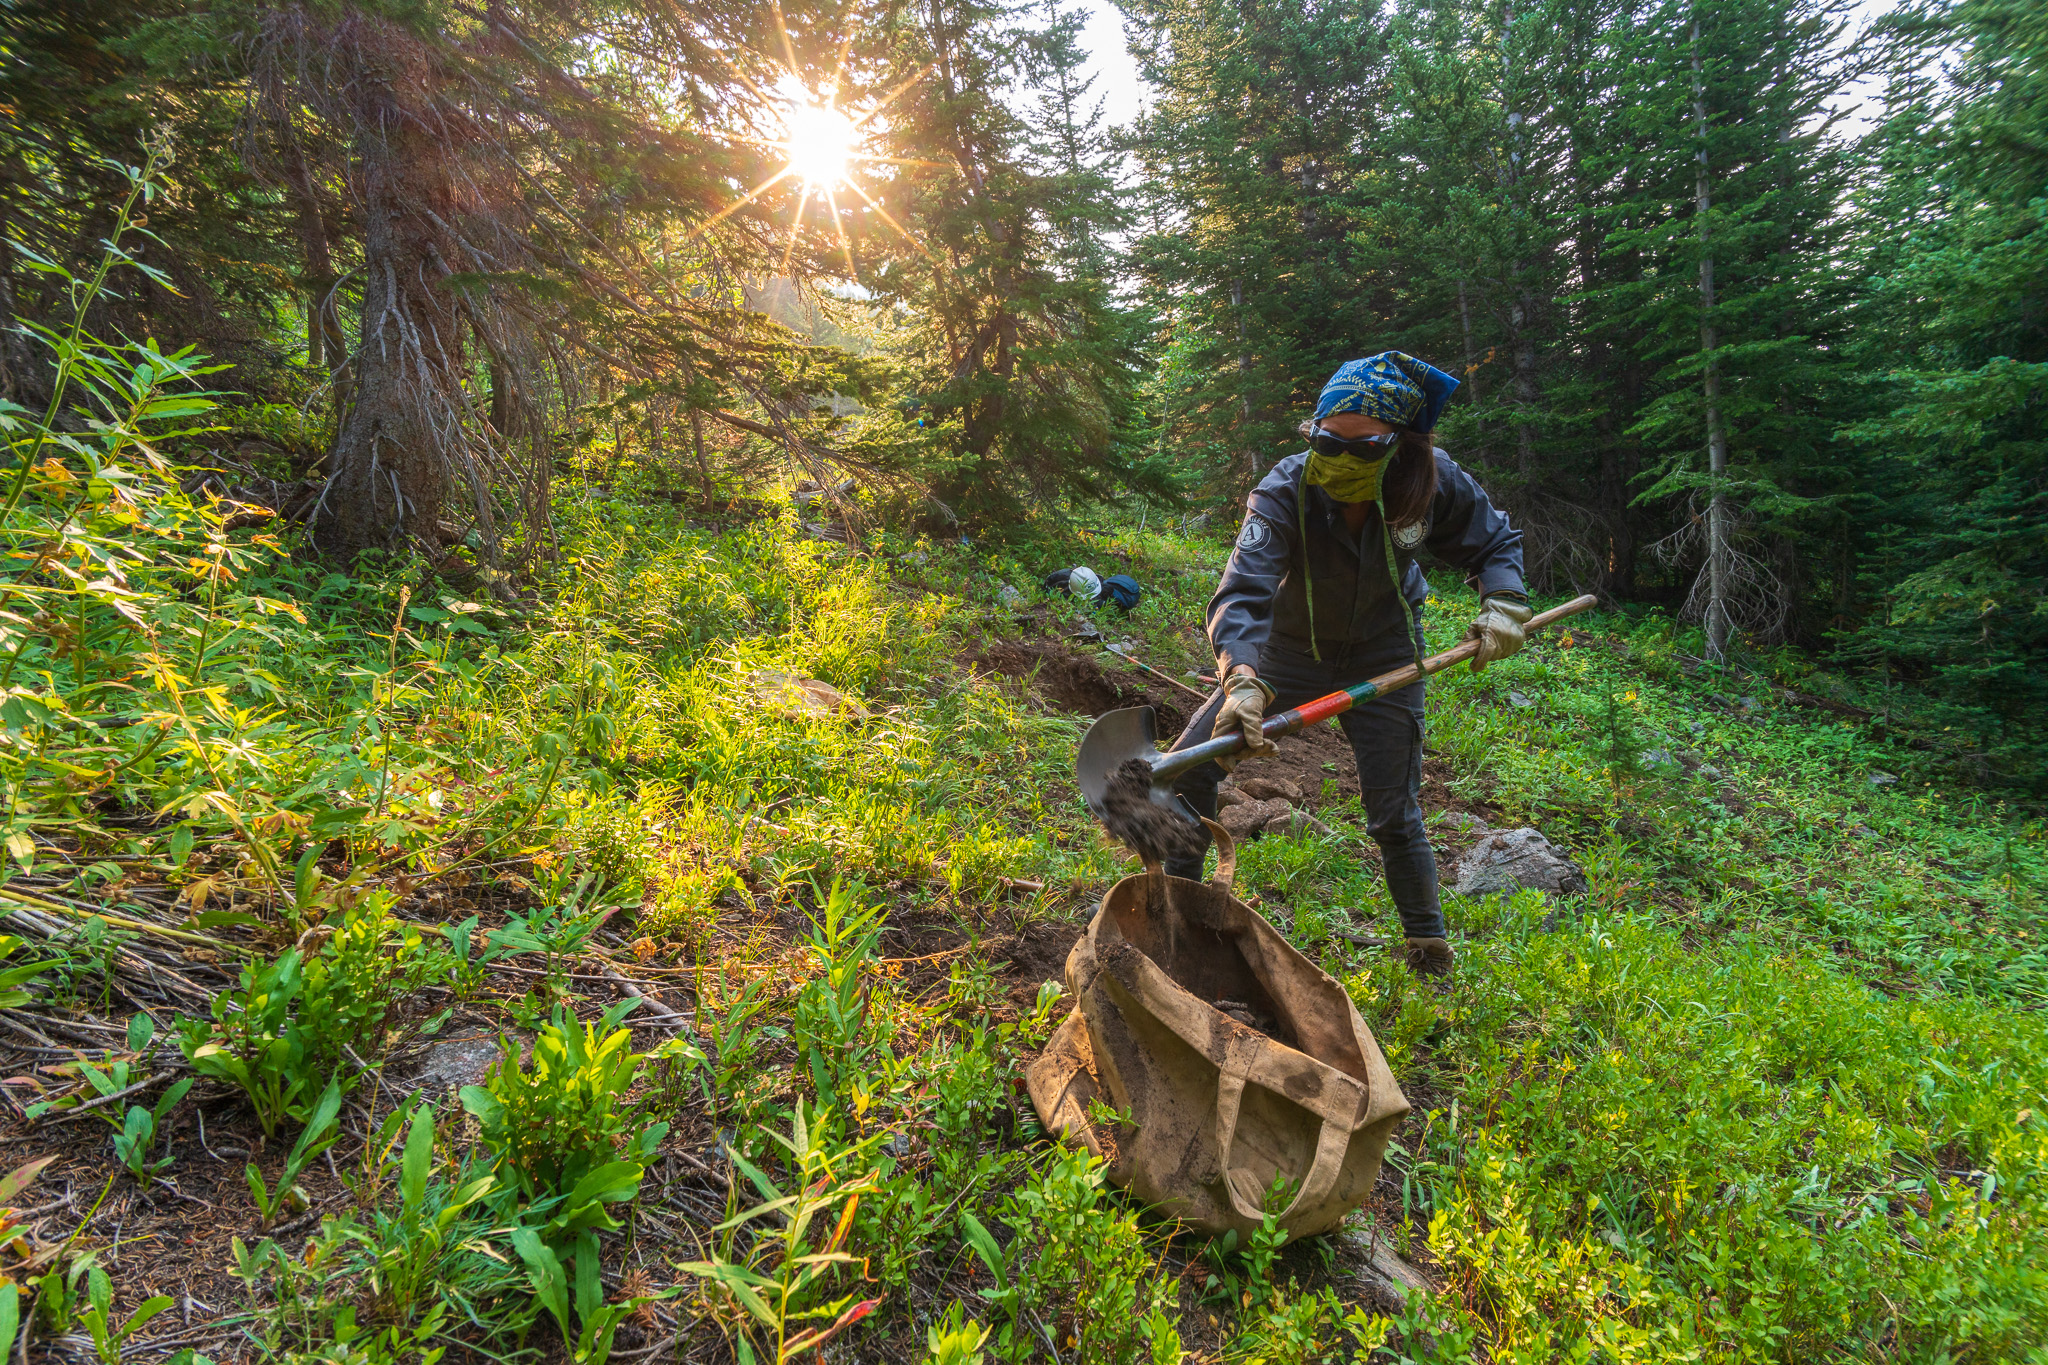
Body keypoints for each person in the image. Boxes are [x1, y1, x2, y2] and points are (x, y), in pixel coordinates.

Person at [1165, 352, 1531, 977]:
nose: (1341, 458)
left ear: (1400, 445)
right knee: (1188, 769)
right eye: (1327, 441)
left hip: (1385, 652)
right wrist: (1242, 679)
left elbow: (1494, 540)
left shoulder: (1430, 478)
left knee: (1395, 812)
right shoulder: (1284, 488)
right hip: (1286, 653)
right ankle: (1179, 919)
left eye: (1364, 448)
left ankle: (1428, 950)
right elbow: (1242, 590)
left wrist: (1504, 602)